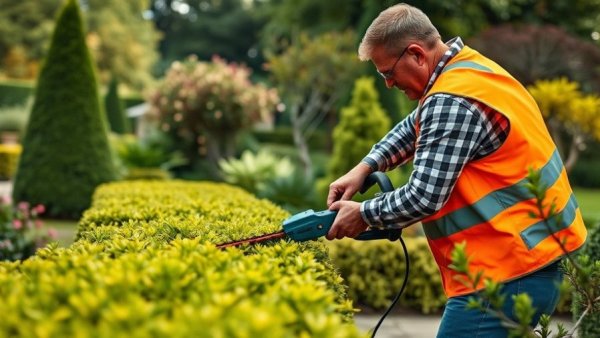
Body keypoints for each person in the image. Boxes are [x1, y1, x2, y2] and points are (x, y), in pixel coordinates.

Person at [325, 3, 587, 337]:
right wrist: (366, 166)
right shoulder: (470, 69)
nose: (389, 84)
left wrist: (363, 213)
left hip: (506, 274)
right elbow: (417, 125)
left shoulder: (450, 99)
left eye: (388, 74)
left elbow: (423, 196)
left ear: (417, 54)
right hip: (533, 259)